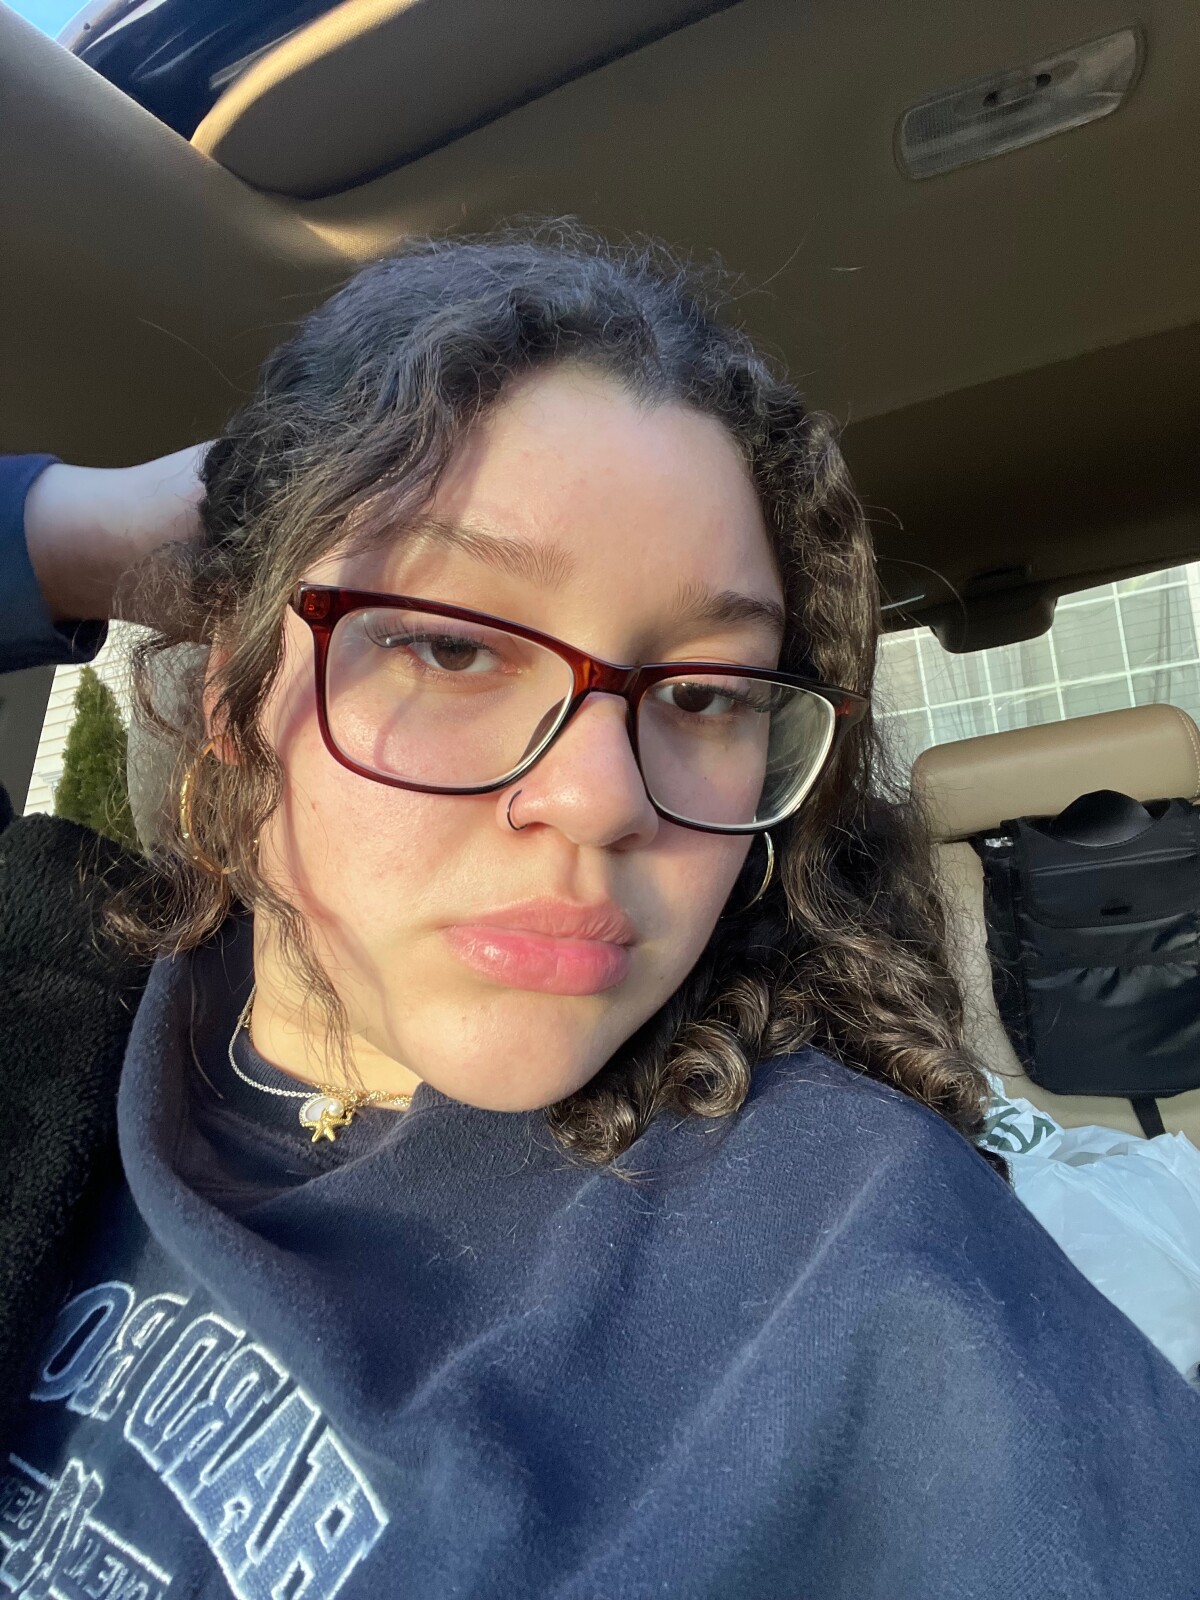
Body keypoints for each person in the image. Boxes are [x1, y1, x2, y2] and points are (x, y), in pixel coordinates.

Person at [0, 229, 1196, 1600]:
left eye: (703, 694)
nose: (600, 796)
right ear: (233, 697)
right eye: (451, 643)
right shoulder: (48, 972)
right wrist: (91, 532)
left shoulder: (854, 1261)